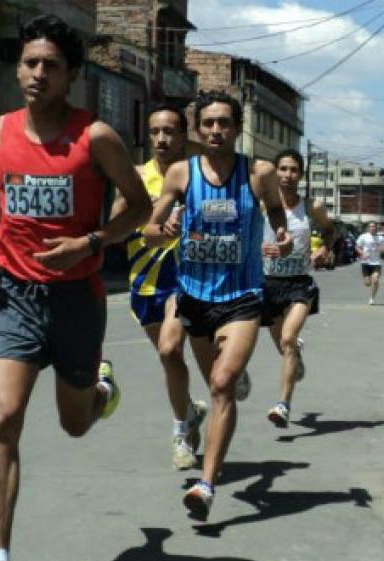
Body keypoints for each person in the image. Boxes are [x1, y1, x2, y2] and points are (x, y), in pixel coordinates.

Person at [0, 14, 152, 561]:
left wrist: (89, 244)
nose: (38, 74)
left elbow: (138, 208)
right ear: (18, 67)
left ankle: (99, 390)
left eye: (51, 66)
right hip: (15, 294)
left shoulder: (96, 138)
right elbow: (8, 186)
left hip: (76, 299)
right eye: (30, 63)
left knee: (74, 423)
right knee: (2, 420)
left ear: (72, 77)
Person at [143, 90, 291, 522]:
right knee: (207, 373)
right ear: (198, 128)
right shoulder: (179, 175)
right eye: (207, 123)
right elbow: (151, 227)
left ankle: (206, 484)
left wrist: (279, 235)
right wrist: (163, 226)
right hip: (193, 295)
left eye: (223, 123)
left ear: (237, 128)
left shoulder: (258, 173)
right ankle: (213, 398)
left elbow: (277, 213)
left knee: (222, 385)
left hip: (242, 297)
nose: (215, 131)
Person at [109, 104, 251, 471]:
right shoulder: (135, 178)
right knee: (170, 357)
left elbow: (231, 215)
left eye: (170, 131)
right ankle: (189, 412)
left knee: (174, 349)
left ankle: (181, 430)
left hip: (189, 278)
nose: (161, 138)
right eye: (155, 131)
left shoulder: (198, 175)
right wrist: (149, 214)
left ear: (184, 135)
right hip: (146, 282)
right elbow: (115, 228)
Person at [260, 149, 334, 428]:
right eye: (283, 169)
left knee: (289, 338)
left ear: (301, 175)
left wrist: (324, 249)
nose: (288, 175)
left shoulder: (311, 207)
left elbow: (330, 230)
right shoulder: (262, 205)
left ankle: (283, 404)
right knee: (283, 343)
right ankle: (296, 361)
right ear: (275, 172)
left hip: (299, 284)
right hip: (268, 284)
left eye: (294, 170)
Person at [356, 221, 384, 305]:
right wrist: (362, 253)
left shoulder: (381, 238)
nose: (372, 228)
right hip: (365, 262)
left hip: (376, 262)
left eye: (374, 226)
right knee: (367, 283)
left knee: (375, 280)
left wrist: (379, 249)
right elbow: (357, 247)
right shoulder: (363, 236)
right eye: (371, 226)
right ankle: (370, 282)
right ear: (368, 228)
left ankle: (372, 298)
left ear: (376, 228)